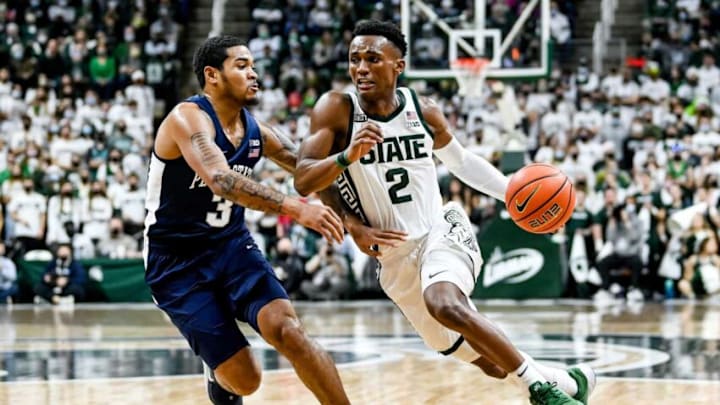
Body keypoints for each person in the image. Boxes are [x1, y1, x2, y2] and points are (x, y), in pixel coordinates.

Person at [295, 20, 595, 405]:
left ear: (398, 65)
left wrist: (512, 194)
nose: (361, 68)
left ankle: (539, 391)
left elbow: (463, 162)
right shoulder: (336, 109)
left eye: (373, 58)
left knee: (444, 302)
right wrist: (346, 160)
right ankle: (571, 382)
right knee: (492, 365)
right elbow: (304, 180)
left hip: (441, 229)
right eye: (354, 60)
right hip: (393, 257)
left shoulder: (424, 110)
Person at [143, 36, 350, 405]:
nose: (253, 73)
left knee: (288, 331)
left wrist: (350, 187)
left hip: (232, 246)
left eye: (253, 65)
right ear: (213, 75)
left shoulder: (255, 130)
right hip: (177, 261)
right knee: (247, 380)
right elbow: (222, 180)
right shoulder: (186, 118)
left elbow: (307, 170)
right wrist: (297, 207)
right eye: (241, 65)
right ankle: (217, 369)